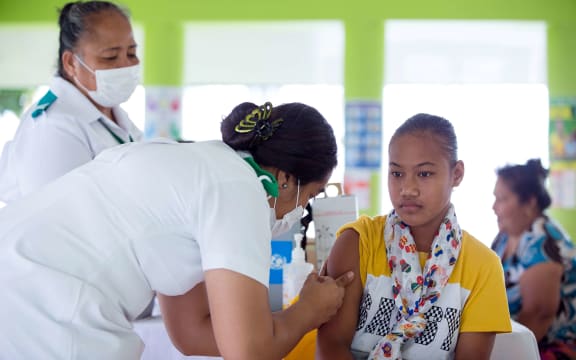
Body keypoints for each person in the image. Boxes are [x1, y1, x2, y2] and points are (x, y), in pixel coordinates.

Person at [0, 101, 354, 360]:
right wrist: (307, 312)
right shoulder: (239, 188)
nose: (300, 211)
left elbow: (192, 332)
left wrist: (282, 324)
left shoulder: (196, 164)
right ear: (285, 178)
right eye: (310, 195)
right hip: (48, 311)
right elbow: (248, 351)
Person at [314, 113, 511, 359]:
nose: (407, 189)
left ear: (457, 174)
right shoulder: (357, 242)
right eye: (397, 174)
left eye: (424, 174)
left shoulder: (483, 266)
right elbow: (330, 347)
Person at [0, 0, 142, 204]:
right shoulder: (52, 126)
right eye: (110, 57)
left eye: (131, 53)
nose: (125, 65)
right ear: (71, 63)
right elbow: (55, 219)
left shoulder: (111, 114)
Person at [491, 158, 576, 359]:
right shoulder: (505, 236)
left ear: (529, 201)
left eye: (502, 199)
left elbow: (538, 315)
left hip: (550, 347)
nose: (494, 207)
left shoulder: (544, 243)